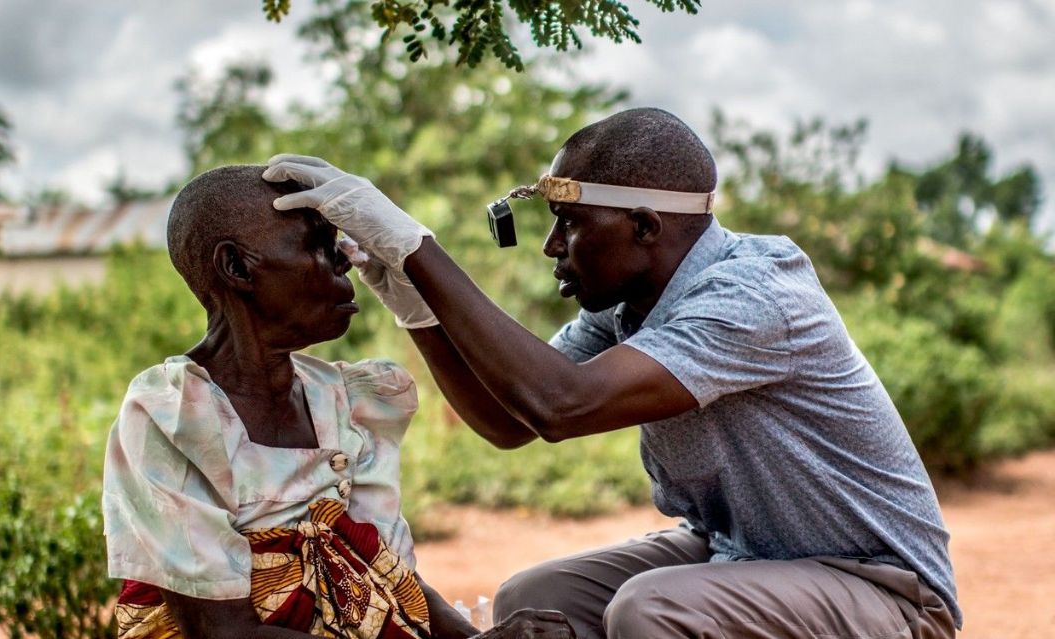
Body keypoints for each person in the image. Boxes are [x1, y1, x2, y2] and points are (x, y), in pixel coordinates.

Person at [261, 107, 962, 639]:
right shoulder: (635, 306)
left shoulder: (756, 294)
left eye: (569, 222)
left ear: (646, 228)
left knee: (650, 609)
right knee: (534, 600)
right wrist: (415, 304)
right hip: (741, 553)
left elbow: (560, 403)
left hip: (883, 590)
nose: (550, 246)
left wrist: (418, 249)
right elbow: (514, 420)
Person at [101, 165, 576, 639]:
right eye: (320, 246)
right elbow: (223, 631)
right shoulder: (172, 416)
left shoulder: (346, 403)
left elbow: (396, 582)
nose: (346, 262)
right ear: (238, 267)